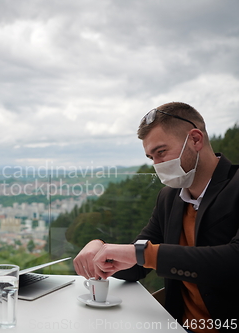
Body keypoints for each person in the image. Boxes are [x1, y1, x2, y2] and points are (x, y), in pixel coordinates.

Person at [73, 102, 238, 332]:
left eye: (161, 152)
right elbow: (137, 264)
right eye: (152, 157)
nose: (158, 165)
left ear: (196, 140)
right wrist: (100, 247)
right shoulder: (169, 198)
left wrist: (143, 253)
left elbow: (233, 260)